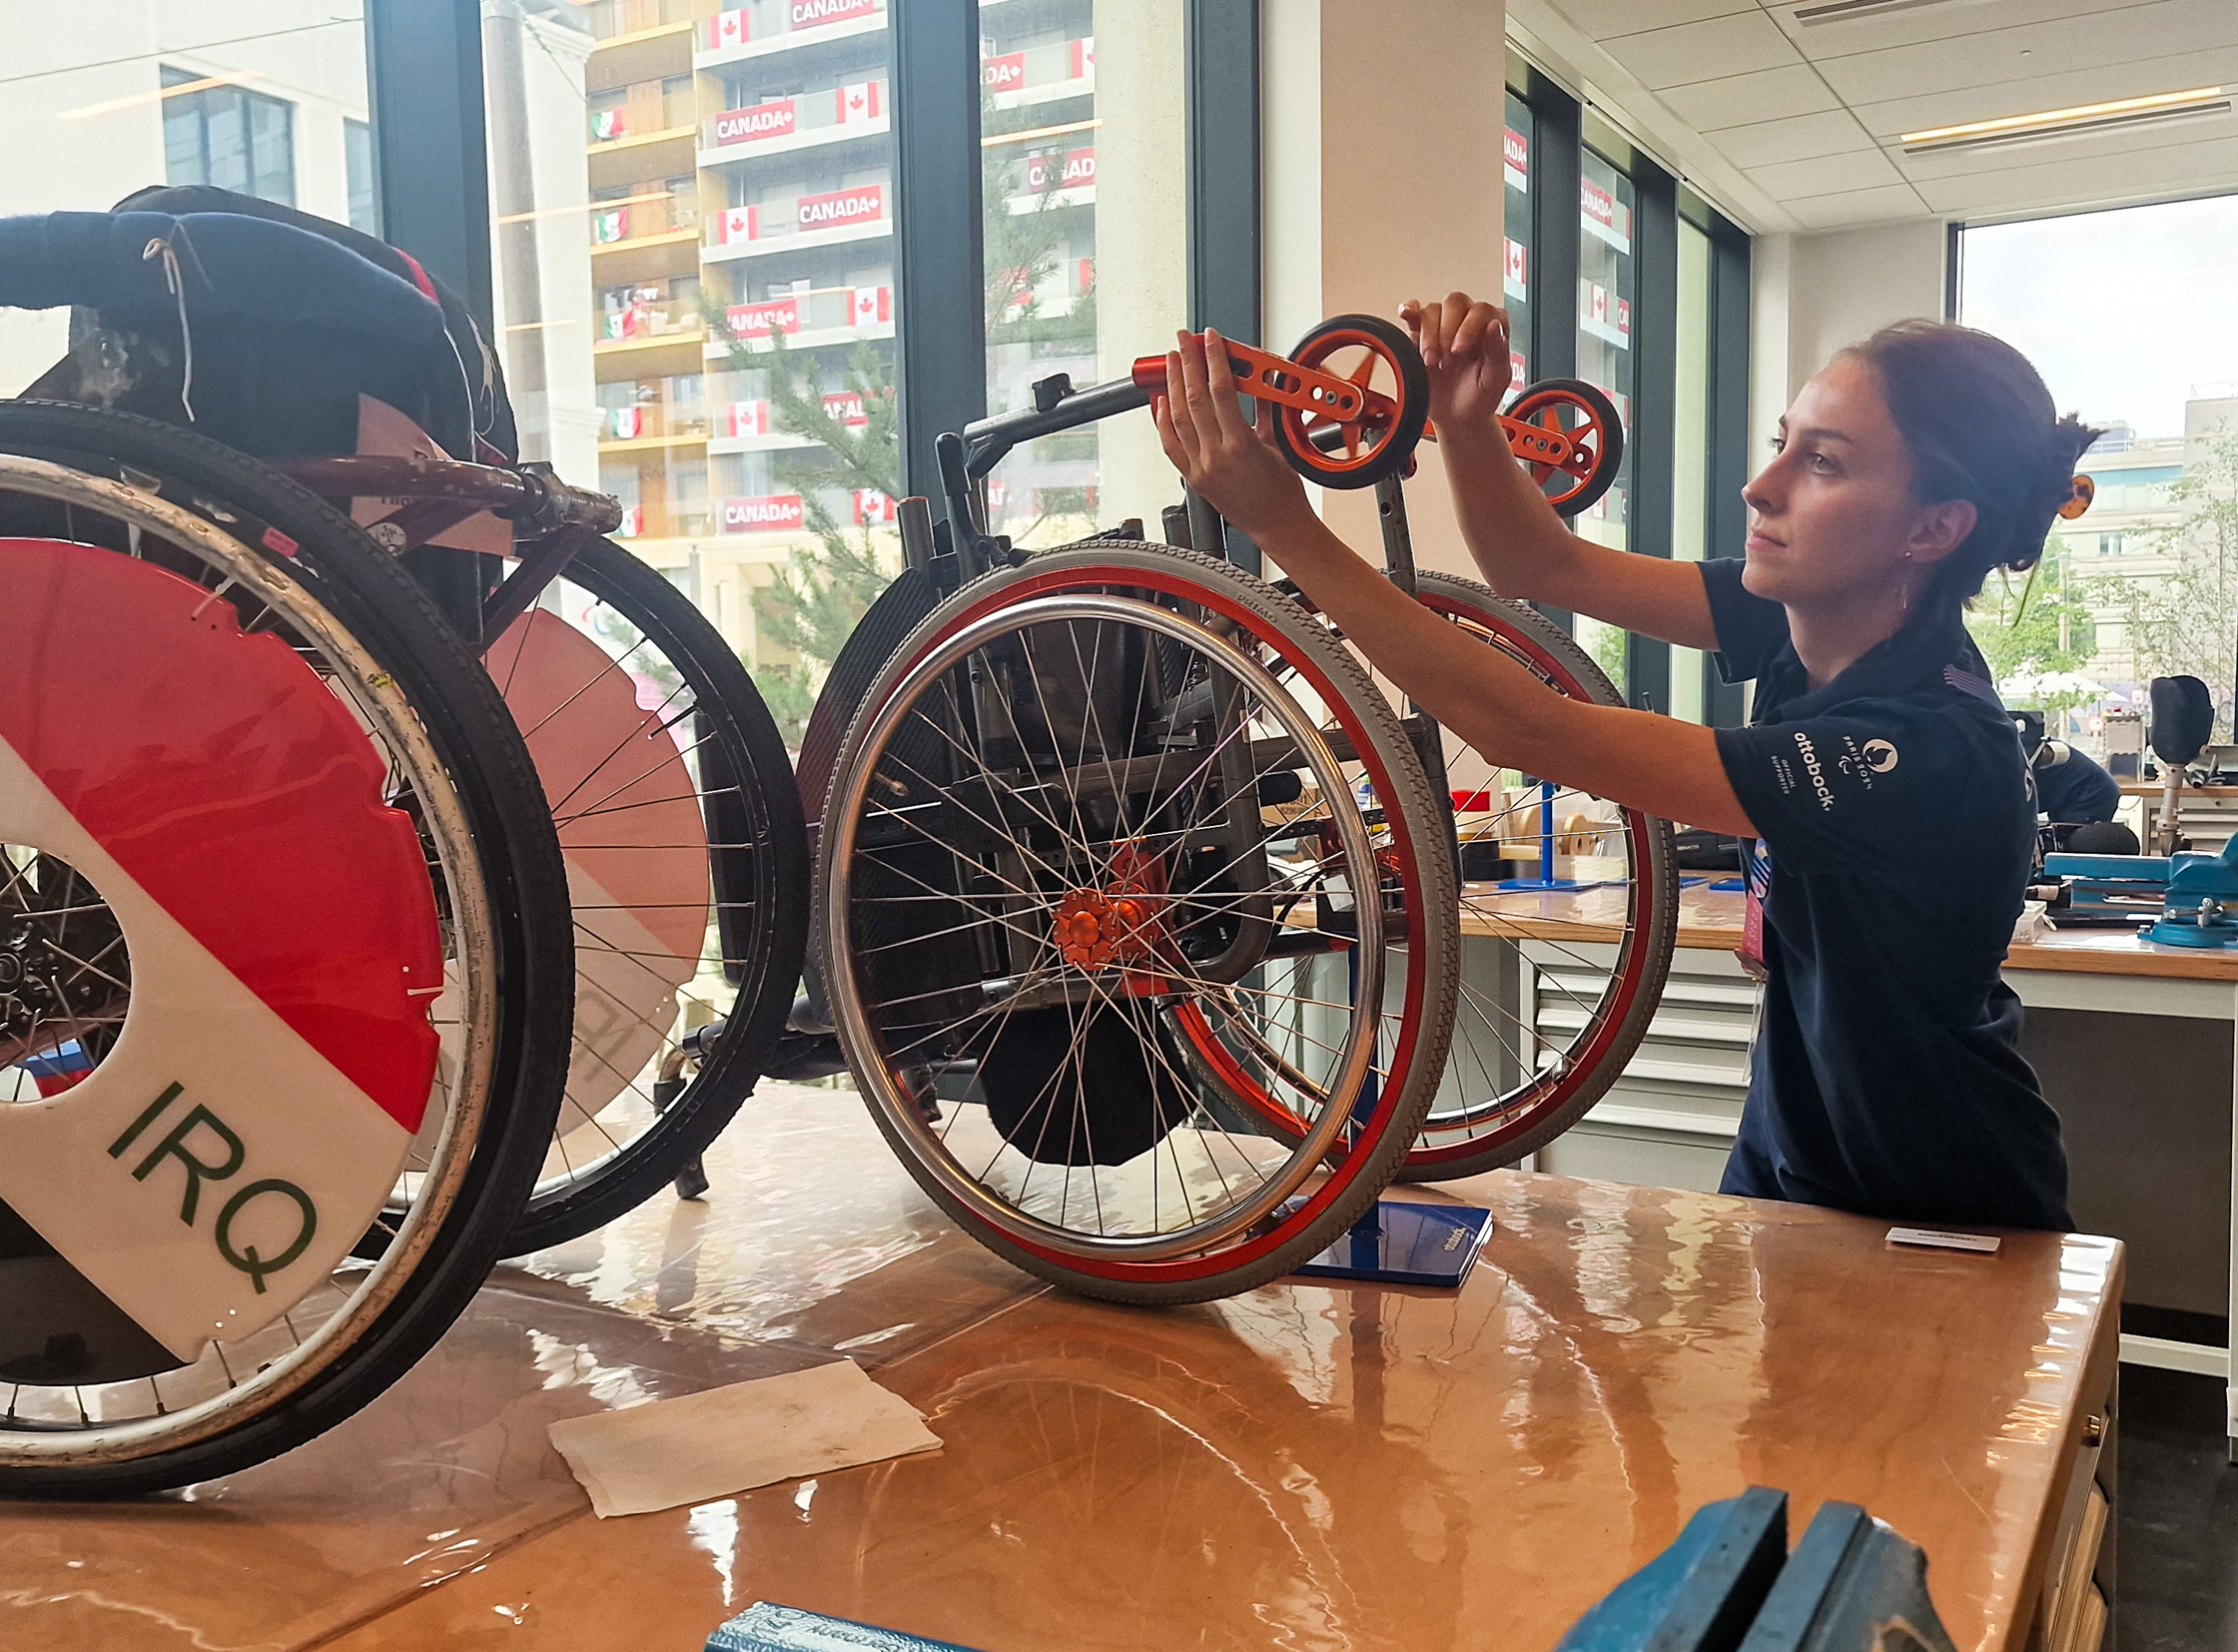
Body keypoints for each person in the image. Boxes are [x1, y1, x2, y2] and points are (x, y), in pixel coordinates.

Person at [1152, 301, 2096, 1233]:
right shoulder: (1802, 614)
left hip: (1937, 1206)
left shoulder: (1918, 745)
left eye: (1822, 462)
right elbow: (1544, 565)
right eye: (1784, 442)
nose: (1760, 487)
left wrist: (1284, 526)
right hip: (1795, 1164)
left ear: (1931, 530)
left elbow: (1532, 730)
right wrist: (1470, 423)